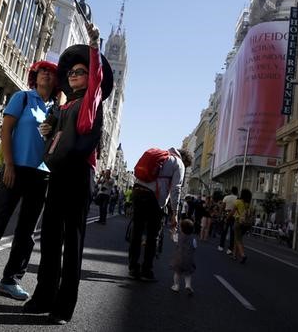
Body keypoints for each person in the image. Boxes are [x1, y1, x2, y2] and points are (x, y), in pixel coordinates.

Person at [24, 22, 113, 325]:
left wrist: (95, 43)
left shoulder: (91, 101)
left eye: (81, 72)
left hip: (78, 174)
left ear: (90, 77)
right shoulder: (64, 106)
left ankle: (63, 307)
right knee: (49, 237)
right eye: (71, 73)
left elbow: (98, 76)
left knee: (72, 243)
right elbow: (52, 139)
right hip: (59, 173)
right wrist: (47, 129)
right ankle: (43, 296)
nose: (74, 76)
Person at [0, 60, 59, 302]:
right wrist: (9, 164)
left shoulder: (57, 110)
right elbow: (6, 131)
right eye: (42, 72)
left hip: (42, 174)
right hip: (15, 170)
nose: (46, 75)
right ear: (34, 77)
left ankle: (10, 280)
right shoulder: (23, 98)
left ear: (57, 81)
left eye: (51, 73)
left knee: (27, 233)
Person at [127, 147, 190, 281]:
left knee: (137, 231)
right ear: (185, 160)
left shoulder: (161, 155)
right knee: (152, 235)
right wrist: (175, 213)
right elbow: (176, 189)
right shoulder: (179, 163)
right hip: (154, 198)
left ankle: (133, 268)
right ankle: (146, 271)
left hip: (138, 191)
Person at [170, 218, 197, 295]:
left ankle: (176, 285)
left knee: (177, 273)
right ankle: (188, 285)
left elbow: (172, 238)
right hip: (189, 260)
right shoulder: (193, 239)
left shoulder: (178, 236)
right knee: (188, 274)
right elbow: (195, 247)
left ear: (181, 229)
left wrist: (173, 232)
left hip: (178, 259)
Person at [231, 188, 252, 264]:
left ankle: (242, 255)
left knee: (238, 239)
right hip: (246, 224)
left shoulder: (238, 202)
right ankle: (234, 254)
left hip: (238, 222)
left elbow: (232, 212)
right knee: (238, 238)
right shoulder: (248, 204)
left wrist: (227, 218)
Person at [219, 186, 239, 254]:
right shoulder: (237, 199)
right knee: (232, 233)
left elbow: (222, 207)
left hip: (226, 215)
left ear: (231, 191)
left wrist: (220, 214)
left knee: (224, 231)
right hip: (234, 216)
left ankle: (221, 246)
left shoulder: (226, 197)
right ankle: (230, 249)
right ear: (236, 191)